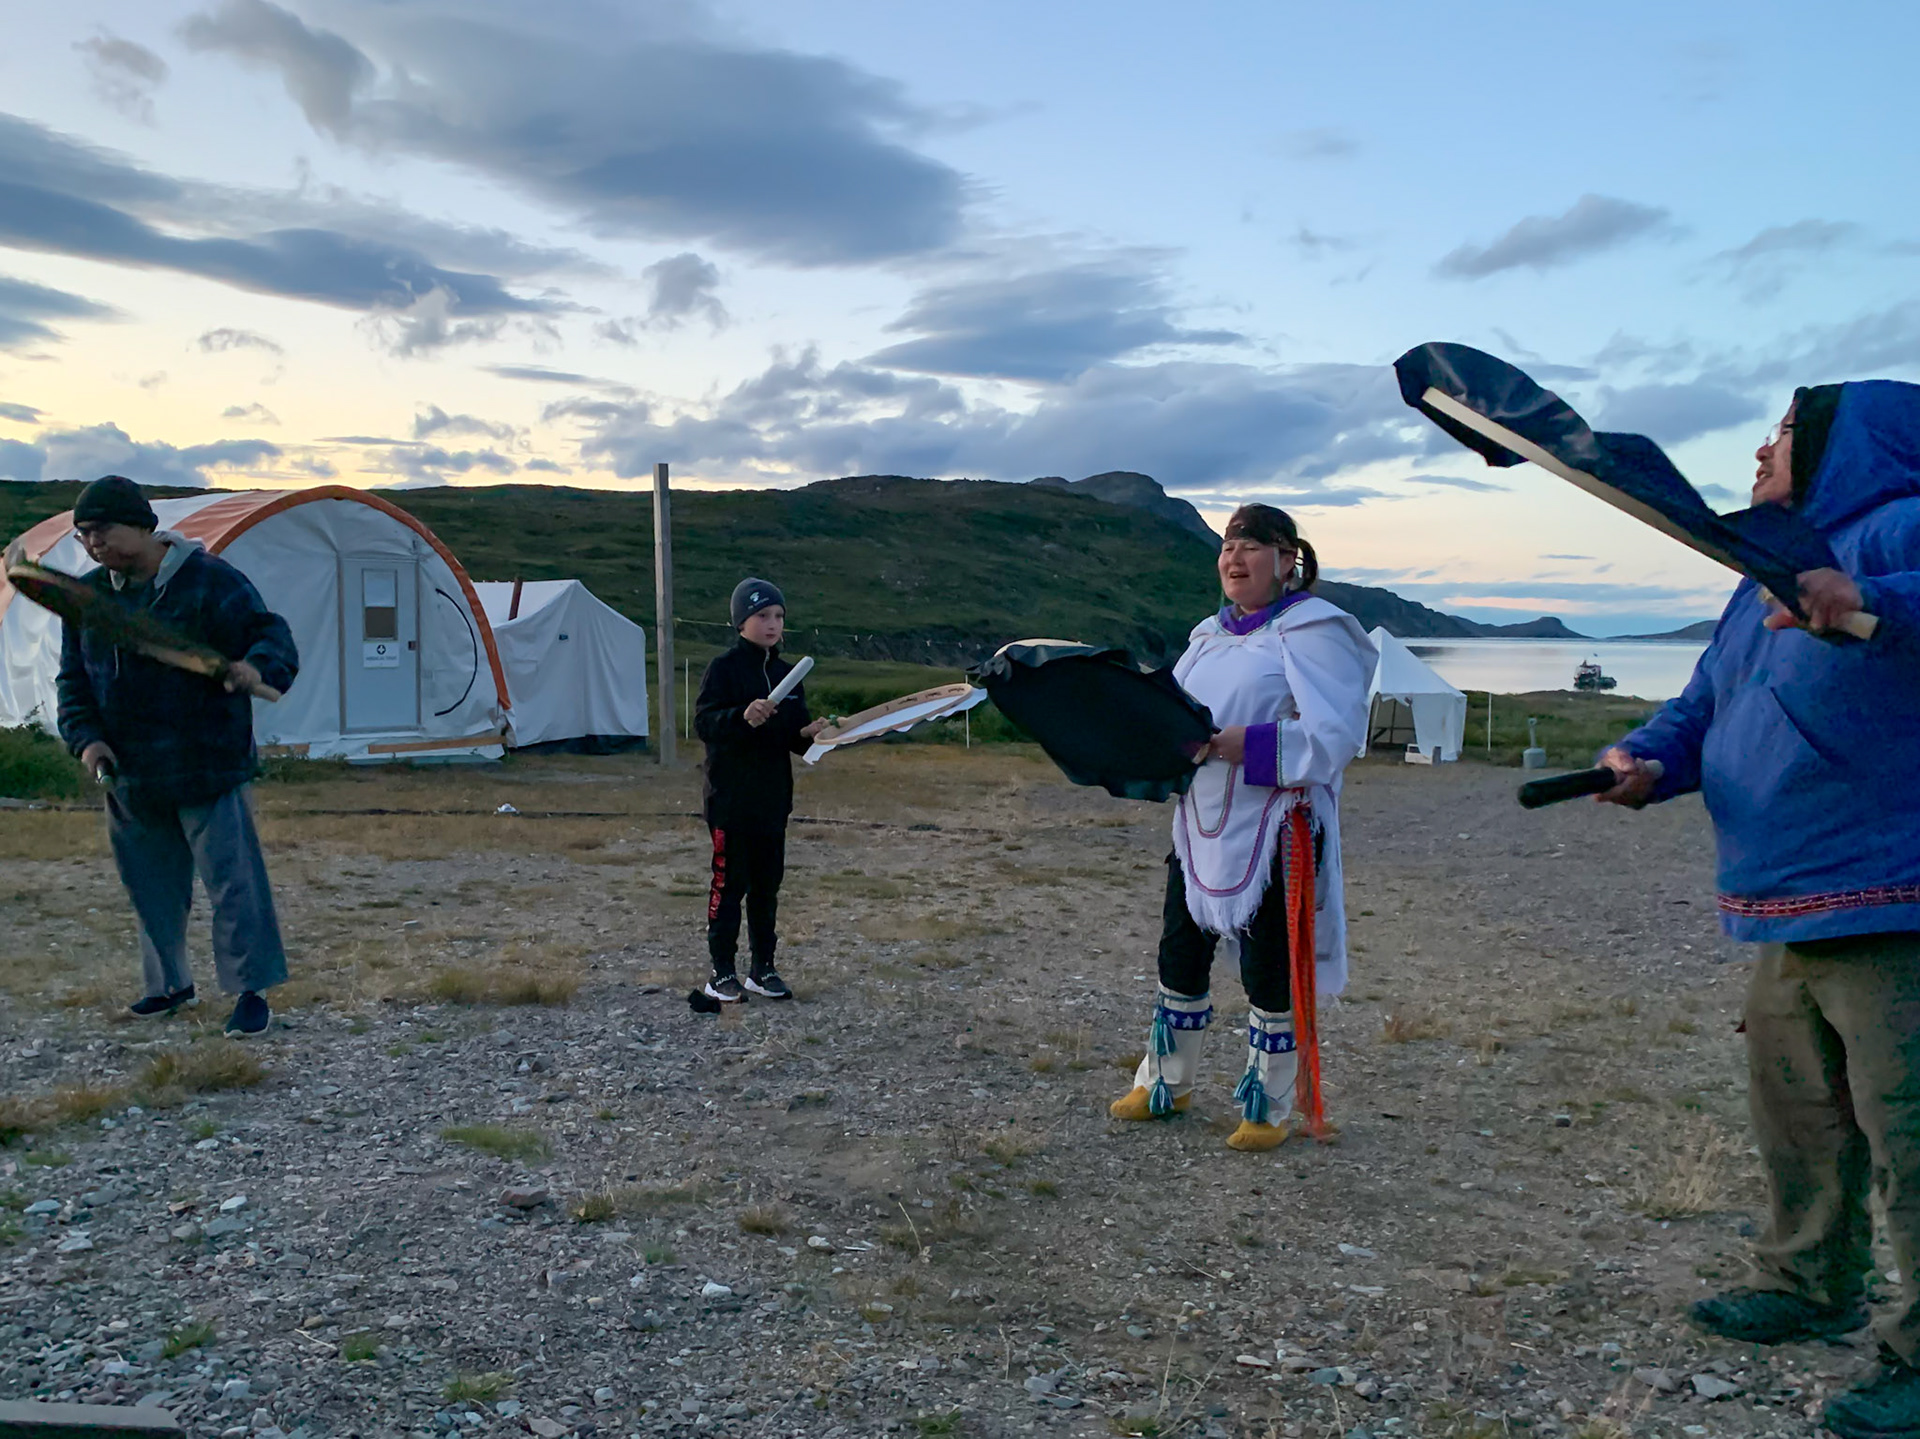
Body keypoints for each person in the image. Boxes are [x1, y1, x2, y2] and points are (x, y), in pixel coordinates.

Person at [1595, 382, 1920, 1439]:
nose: (1760, 450)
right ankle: (1809, 1280)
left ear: (1841, 442)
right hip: (1788, 890)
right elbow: (1708, 699)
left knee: (1911, 1128)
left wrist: (1870, 599)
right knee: (1801, 1113)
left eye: (1781, 431)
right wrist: (1649, 755)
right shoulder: (1764, 572)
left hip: (1894, 889)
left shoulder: (1903, 525)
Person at [1109, 505, 1375, 1151]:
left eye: (1251, 546)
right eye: (1229, 546)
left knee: (1268, 962)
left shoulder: (1313, 629)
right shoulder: (1207, 637)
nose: (1235, 557)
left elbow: (1336, 733)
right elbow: (1171, 711)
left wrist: (1242, 744)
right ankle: (1165, 1080)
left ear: (1287, 560)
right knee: (1179, 949)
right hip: (1200, 819)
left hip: (1276, 822)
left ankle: (1268, 1102)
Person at [53, 475, 300, 1036]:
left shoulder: (210, 581)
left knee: (234, 887)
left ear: (143, 525)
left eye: (102, 529)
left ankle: (251, 993)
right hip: (130, 772)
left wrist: (255, 668)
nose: (93, 543)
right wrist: (87, 739)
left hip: (207, 762)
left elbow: (271, 635)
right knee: (151, 889)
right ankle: (168, 986)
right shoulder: (88, 597)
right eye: (82, 534)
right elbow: (73, 680)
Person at [693, 578, 828, 1004]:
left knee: (767, 888)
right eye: (762, 615)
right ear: (741, 622)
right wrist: (741, 716)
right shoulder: (724, 669)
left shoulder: (789, 674)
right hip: (731, 800)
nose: (773, 624)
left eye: (779, 616)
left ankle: (763, 968)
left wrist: (812, 733)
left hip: (772, 801)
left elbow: (793, 738)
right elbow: (704, 724)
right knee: (729, 886)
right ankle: (721, 972)